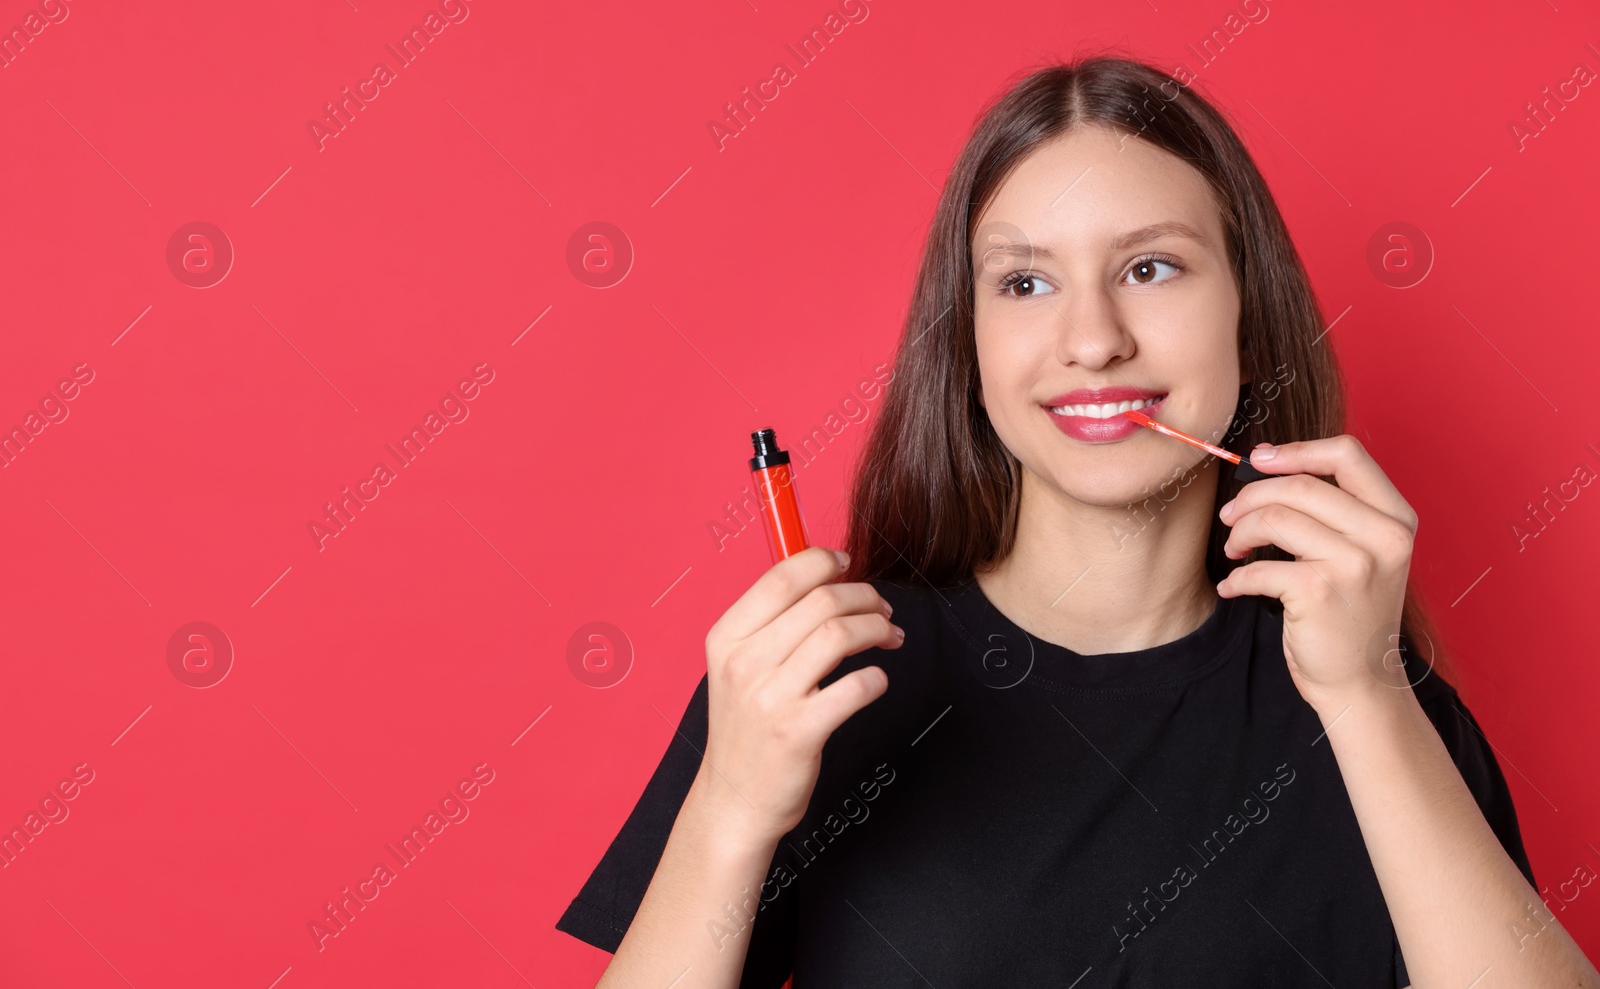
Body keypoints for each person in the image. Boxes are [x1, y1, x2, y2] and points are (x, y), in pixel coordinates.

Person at [555, 56, 1600, 987]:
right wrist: (732, 805)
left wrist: (1365, 692)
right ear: (966, 344)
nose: (1091, 340)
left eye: (1149, 267)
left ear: (1247, 304)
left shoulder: (1376, 693)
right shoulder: (814, 686)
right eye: (1023, 280)